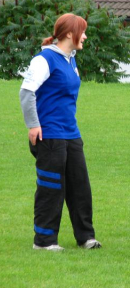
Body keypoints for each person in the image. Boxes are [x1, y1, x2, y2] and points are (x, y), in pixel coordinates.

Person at [19, 13, 101, 251]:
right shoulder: (44, 59)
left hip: (71, 133)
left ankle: (86, 237)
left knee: (80, 186)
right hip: (50, 135)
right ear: (68, 34)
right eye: (82, 32)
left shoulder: (70, 58)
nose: (85, 36)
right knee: (51, 187)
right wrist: (33, 124)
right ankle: (43, 241)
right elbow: (26, 93)